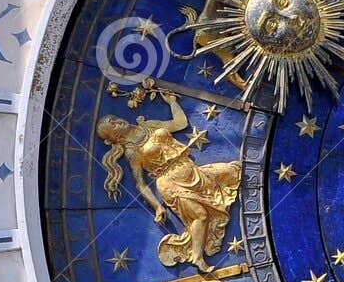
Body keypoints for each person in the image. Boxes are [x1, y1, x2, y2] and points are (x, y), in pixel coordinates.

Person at [96, 90, 242, 270]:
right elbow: (140, 184)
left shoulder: (148, 125)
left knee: (233, 170)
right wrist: (157, 206)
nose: (118, 121)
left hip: (191, 170)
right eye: (114, 125)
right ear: (115, 137)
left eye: (115, 119)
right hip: (170, 183)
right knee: (201, 215)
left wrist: (172, 102)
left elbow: (180, 123)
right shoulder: (132, 152)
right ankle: (198, 258)